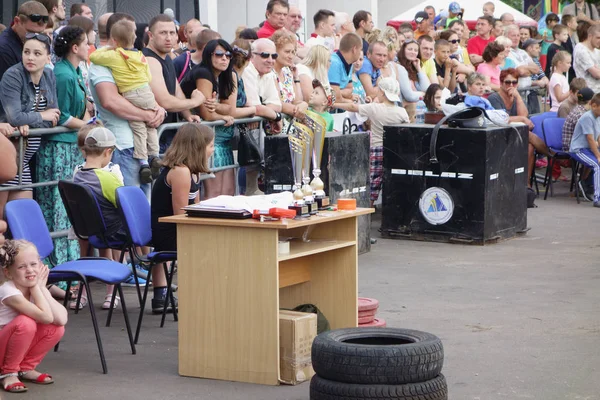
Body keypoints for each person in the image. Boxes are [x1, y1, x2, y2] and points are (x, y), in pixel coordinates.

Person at [89, 12, 165, 193]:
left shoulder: (133, 57)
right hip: (123, 146)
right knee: (130, 207)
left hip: (140, 146)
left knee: (144, 206)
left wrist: (159, 110)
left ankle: (152, 157)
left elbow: (145, 89)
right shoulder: (103, 64)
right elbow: (110, 101)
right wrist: (148, 115)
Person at [36, 25, 89, 265]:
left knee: (68, 210)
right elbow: (62, 115)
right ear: (75, 48)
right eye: (86, 43)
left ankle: (69, 266)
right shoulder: (63, 74)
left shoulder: (74, 72)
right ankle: (59, 268)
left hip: (71, 147)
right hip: (58, 149)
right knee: (57, 207)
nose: (90, 47)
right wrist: (90, 127)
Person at [151, 124, 214, 310]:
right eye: (210, 145)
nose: (213, 150)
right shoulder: (181, 172)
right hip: (169, 231)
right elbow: (181, 215)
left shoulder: (192, 172)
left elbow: (196, 209)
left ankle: (163, 295)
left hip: (176, 228)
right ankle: (203, 292)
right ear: (197, 147)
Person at [0, 33, 60, 221]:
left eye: (37, 53)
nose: (30, 57)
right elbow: (14, 117)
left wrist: (30, 121)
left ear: (48, 57)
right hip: (7, 157)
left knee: (23, 219)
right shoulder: (13, 75)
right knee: (1, 219)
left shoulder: (49, 74)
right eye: (26, 52)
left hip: (24, 160)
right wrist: (39, 116)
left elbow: (55, 116)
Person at [72, 126, 131, 310]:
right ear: (108, 152)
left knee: (85, 256)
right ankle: (111, 295)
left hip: (81, 230)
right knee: (109, 254)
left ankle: (82, 295)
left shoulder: (76, 175)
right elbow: (125, 205)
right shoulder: (108, 178)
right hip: (109, 232)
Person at [0, 240, 67, 393]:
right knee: (26, 322)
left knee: (56, 328)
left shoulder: (30, 286)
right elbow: (46, 317)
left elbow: (61, 319)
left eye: (33, 264)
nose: (29, 270)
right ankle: (8, 373)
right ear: (8, 272)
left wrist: (41, 288)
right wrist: (37, 287)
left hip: (10, 348)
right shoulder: (8, 291)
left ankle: (24, 368)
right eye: (22, 267)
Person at [333, 77, 409, 205]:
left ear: (383, 93)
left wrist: (333, 104)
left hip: (377, 148)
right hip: (394, 150)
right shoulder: (402, 112)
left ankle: (369, 205)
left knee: (374, 180)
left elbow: (353, 106)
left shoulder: (374, 108)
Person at [488, 68, 552, 187]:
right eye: (508, 82)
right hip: (500, 134)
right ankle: (549, 154)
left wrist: (518, 98)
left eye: (514, 82)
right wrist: (521, 119)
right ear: (501, 83)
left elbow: (524, 115)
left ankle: (526, 184)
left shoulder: (516, 97)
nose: (511, 85)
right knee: (529, 135)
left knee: (530, 146)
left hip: (516, 133)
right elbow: (501, 119)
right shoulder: (494, 98)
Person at [242, 38, 284, 195]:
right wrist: (276, 117)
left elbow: (276, 104)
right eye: (265, 55)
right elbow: (254, 108)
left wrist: (268, 112)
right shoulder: (247, 70)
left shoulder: (268, 73)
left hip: (252, 131)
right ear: (252, 56)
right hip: (232, 131)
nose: (270, 60)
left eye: (274, 56)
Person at [0, 1, 49, 82]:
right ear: (16, 21)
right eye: (30, 32)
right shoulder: (4, 49)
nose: (35, 38)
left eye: (40, 33)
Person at [569, 93, 600, 207]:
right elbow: (590, 139)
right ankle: (597, 198)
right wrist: (598, 156)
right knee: (597, 165)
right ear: (594, 106)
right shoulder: (587, 117)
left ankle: (587, 184)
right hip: (578, 149)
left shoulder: (598, 117)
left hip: (588, 149)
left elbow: (598, 137)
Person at [271, 30, 308, 125]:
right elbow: (277, 103)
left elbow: (297, 100)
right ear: (275, 51)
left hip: (291, 127)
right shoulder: (269, 72)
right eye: (287, 52)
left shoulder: (287, 71)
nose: (291, 56)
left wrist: (304, 104)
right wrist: (299, 111)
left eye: (293, 52)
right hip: (275, 127)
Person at [397, 40, 430, 121]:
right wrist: (423, 94)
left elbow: (426, 88)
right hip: (404, 110)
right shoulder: (399, 67)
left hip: (416, 110)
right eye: (410, 49)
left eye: (415, 50)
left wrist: (418, 68)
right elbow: (409, 96)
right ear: (403, 50)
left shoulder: (413, 68)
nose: (413, 52)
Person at [328, 33, 362, 104]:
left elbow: (350, 89)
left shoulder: (349, 62)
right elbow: (335, 98)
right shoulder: (334, 63)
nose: (360, 53)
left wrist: (339, 93)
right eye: (360, 49)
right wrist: (349, 101)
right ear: (354, 49)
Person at [562, 87, 594, 152]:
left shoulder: (579, 110)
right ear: (590, 102)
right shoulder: (581, 115)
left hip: (579, 145)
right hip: (574, 149)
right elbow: (588, 137)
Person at [573, 24, 600, 94]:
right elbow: (596, 74)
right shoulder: (581, 50)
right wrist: (596, 70)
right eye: (598, 38)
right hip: (587, 94)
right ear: (590, 36)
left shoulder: (596, 51)